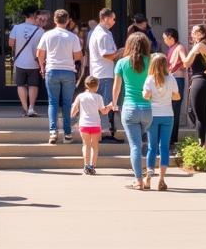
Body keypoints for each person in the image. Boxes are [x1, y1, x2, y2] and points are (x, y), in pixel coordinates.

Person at [111, 32, 153, 190]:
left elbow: (117, 87)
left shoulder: (121, 62)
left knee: (135, 146)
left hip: (129, 109)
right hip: (148, 109)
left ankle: (138, 180)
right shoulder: (152, 62)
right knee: (147, 143)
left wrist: (114, 104)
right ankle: (149, 171)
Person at [37, 8, 82, 144]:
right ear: (67, 21)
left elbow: (39, 53)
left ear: (55, 20)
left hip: (52, 70)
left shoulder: (47, 35)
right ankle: (67, 133)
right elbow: (78, 56)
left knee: (53, 102)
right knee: (67, 103)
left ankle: (52, 131)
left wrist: (42, 67)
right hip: (68, 71)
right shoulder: (72, 36)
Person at [143, 53, 181, 191]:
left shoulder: (149, 79)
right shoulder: (171, 78)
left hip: (153, 115)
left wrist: (150, 95)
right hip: (167, 115)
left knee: (151, 147)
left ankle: (148, 178)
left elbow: (146, 96)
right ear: (165, 65)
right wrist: (168, 95)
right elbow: (177, 97)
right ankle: (161, 179)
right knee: (164, 147)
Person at [180, 24, 206, 148]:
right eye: (193, 31)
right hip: (201, 81)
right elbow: (187, 63)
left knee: (197, 114)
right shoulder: (197, 46)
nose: (194, 34)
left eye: (197, 32)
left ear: (203, 34)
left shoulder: (200, 45)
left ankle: (202, 145)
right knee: (203, 114)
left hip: (201, 81)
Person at [87, 8, 121, 143]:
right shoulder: (103, 34)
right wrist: (120, 53)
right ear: (105, 18)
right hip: (104, 74)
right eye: (113, 18)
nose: (114, 21)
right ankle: (105, 133)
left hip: (100, 72)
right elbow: (106, 54)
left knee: (102, 103)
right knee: (106, 104)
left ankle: (104, 132)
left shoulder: (101, 32)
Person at [71, 76, 113, 175]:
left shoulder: (80, 96)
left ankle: (86, 166)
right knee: (95, 146)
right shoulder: (99, 97)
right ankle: (93, 166)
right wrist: (110, 106)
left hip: (84, 124)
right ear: (97, 86)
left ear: (86, 85)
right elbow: (103, 111)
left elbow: (73, 112)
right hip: (95, 124)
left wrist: (76, 111)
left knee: (86, 145)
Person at [8, 6, 42, 116]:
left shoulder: (16, 28)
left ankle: (25, 108)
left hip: (20, 62)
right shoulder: (40, 30)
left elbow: (11, 43)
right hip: (34, 63)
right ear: (34, 15)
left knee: (21, 85)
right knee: (33, 85)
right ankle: (31, 108)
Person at [163, 27, 188, 146]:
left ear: (170, 37)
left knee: (175, 109)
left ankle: (173, 138)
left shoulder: (179, 48)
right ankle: (169, 137)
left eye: (165, 38)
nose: (164, 41)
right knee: (170, 109)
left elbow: (185, 62)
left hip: (177, 79)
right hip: (171, 79)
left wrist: (180, 65)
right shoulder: (171, 48)